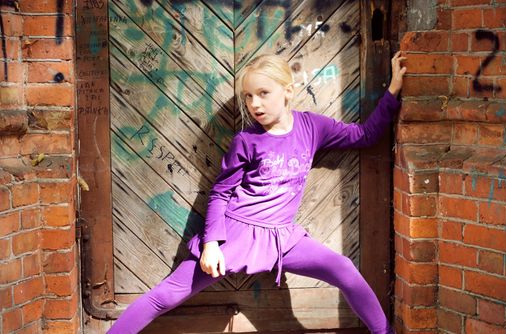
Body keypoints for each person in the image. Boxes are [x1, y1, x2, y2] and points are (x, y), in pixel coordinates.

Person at [109, 52, 407, 334]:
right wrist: (211, 244)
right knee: (166, 296)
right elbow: (220, 193)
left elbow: (366, 135)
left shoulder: (313, 127)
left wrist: (393, 90)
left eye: (263, 93)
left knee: (342, 268)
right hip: (236, 236)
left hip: (282, 238)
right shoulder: (246, 140)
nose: (255, 103)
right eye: (249, 96)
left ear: (287, 91)